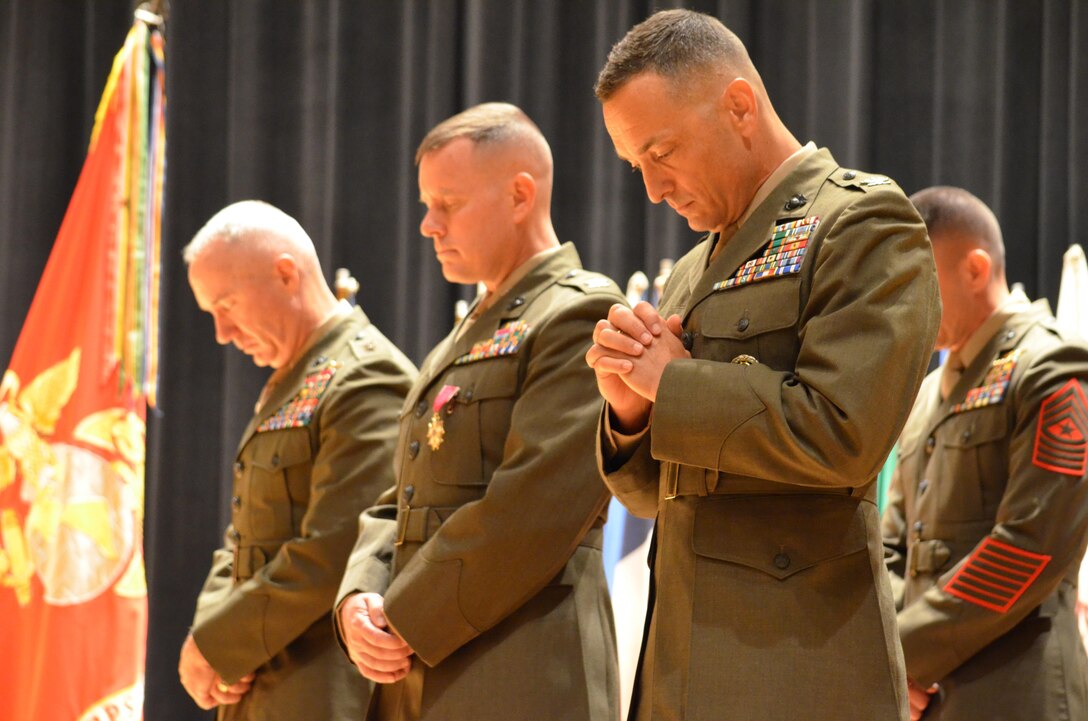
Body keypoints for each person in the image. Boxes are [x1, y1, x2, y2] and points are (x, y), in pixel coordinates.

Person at [584, 9, 941, 720]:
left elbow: (844, 435)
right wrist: (630, 412)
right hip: (680, 666)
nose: (652, 189)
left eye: (662, 152)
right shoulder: (692, 270)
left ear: (740, 106)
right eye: (635, 166)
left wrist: (671, 383)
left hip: (796, 669)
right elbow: (658, 497)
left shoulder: (862, 224)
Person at [333, 102, 623, 721]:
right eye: (426, 204)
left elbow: (532, 509)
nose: (428, 225)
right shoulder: (467, 333)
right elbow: (401, 497)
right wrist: (360, 596)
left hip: (516, 672)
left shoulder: (577, 313)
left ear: (520, 195)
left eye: (448, 203)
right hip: (417, 661)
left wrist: (403, 615)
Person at [177, 201, 417, 720]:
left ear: (286, 273)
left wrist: (219, 644)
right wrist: (210, 636)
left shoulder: (365, 376)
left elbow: (334, 549)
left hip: (318, 689)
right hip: (257, 682)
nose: (221, 332)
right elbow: (244, 536)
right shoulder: (295, 378)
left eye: (227, 305)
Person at [882, 186, 1088, 720]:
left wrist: (905, 653)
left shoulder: (1052, 366)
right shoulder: (927, 392)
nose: (906, 304)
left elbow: (1030, 547)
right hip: (925, 696)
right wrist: (892, 658)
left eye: (917, 281)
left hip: (1019, 691)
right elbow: (892, 545)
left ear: (975, 269)